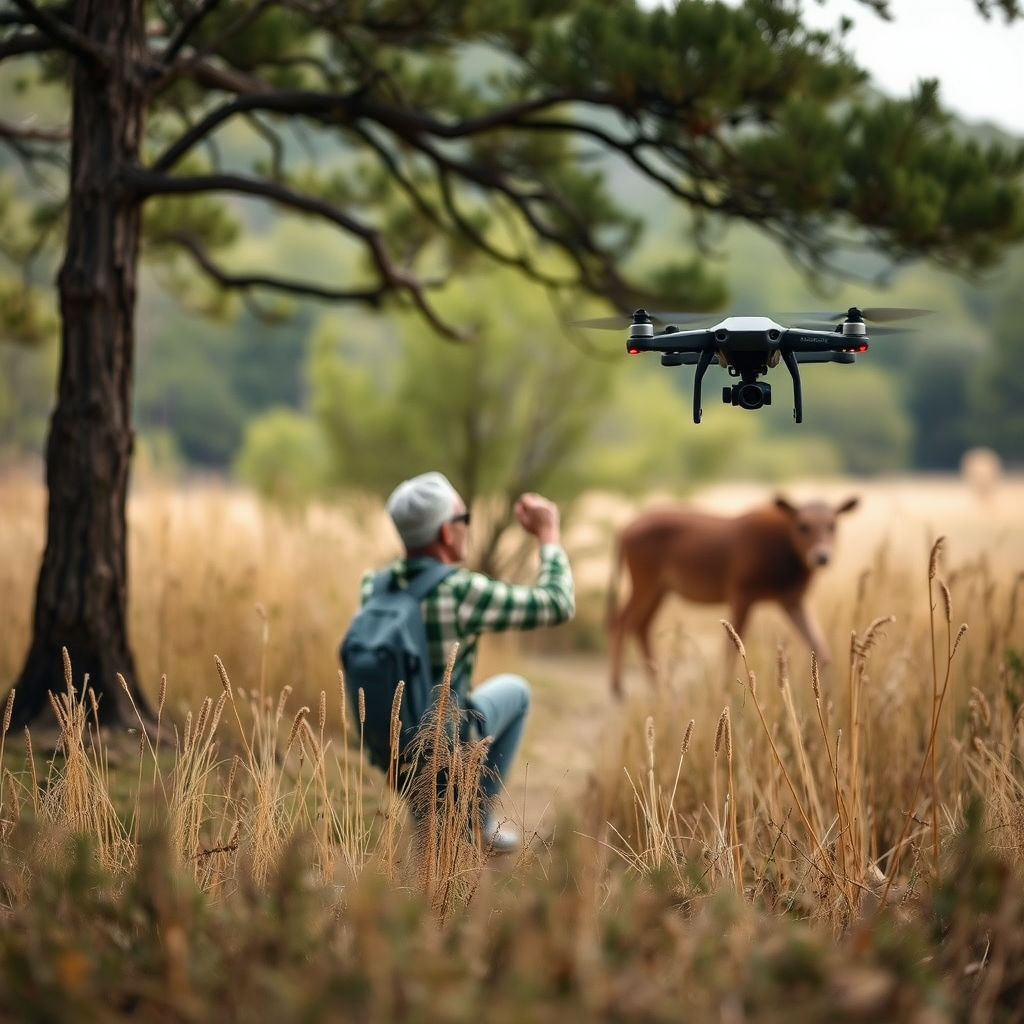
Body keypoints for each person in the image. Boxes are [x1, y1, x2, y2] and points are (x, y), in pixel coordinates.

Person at [359, 470, 575, 854]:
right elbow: (557, 603)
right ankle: (476, 822)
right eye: (465, 518)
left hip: (390, 750)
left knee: (423, 715)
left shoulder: (374, 586)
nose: (468, 527)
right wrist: (548, 535)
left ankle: (429, 819)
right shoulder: (460, 591)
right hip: (448, 748)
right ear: (447, 532)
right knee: (516, 692)